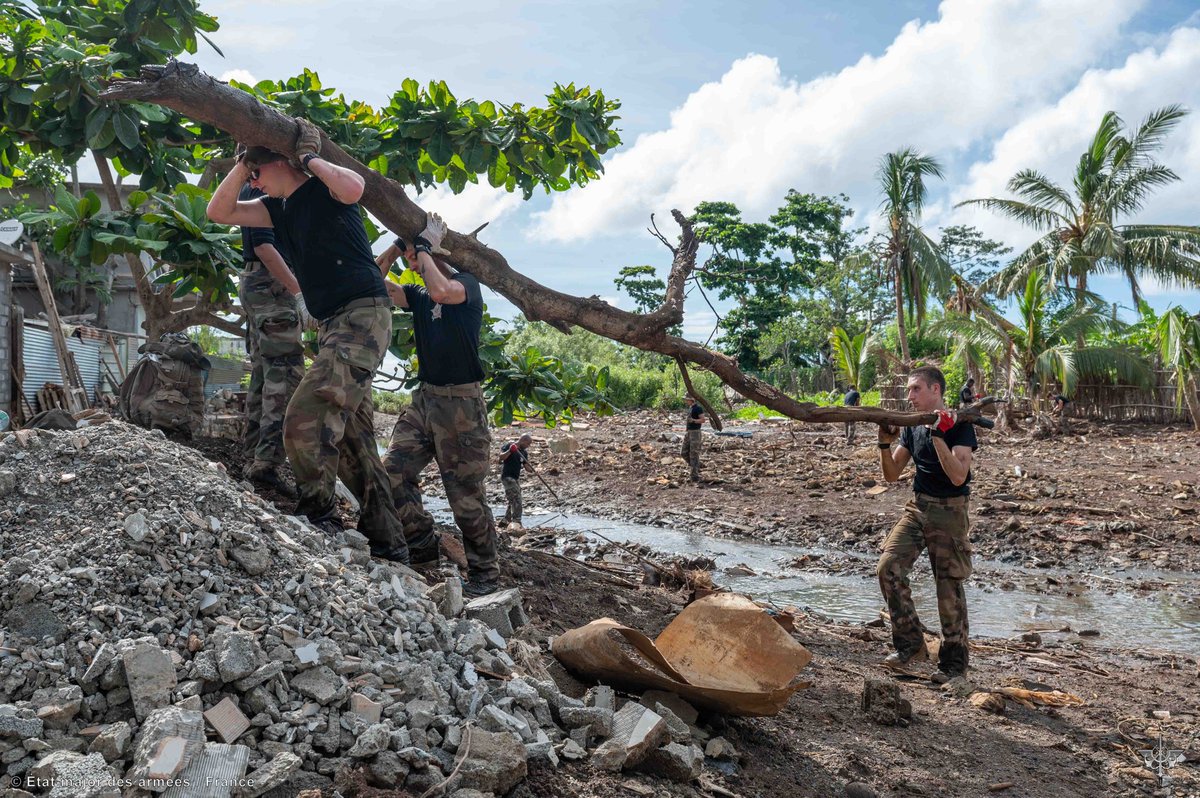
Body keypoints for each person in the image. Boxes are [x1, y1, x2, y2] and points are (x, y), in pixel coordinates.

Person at [205, 121, 410, 563]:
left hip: (362, 316)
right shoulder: (274, 210)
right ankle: (392, 543)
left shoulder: (324, 191)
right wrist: (244, 165)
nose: (253, 183)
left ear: (282, 162)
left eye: (257, 173)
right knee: (355, 441)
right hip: (335, 323)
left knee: (304, 415)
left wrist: (309, 158)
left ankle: (319, 517)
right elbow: (218, 212)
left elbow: (355, 187)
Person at [377, 215, 501, 597]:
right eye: (411, 261)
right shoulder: (417, 295)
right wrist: (399, 246)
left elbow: (443, 291)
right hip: (425, 399)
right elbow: (370, 278)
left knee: (464, 495)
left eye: (416, 259)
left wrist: (426, 248)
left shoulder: (467, 285)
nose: (412, 266)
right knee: (393, 471)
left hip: (461, 404)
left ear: (436, 254)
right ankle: (422, 542)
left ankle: (485, 574)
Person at [876, 365, 978, 679]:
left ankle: (953, 665)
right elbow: (892, 474)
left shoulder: (960, 425)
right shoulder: (912, 425)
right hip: (918, 508)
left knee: (948, 587)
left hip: (950, 511)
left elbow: (959, 476)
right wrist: (883, 444)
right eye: (909, 389)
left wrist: (937, 436)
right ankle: (911, 646)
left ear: (936, 390)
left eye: (916, 389)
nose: (910, 396)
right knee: (888, 568)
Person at [237, 182, 305, 497]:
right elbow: (264, 246)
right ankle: (266, 465)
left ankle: (253, 459)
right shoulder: (263, 192)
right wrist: (298, 292)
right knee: (285, 376)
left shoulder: (254, 191)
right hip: (271, 284)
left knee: (264, 376)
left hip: (259, 283)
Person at [499, 433, 533, 527]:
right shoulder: (509, 445)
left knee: (512, 499)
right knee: (517, 499)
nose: (528, 446)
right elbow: (501, 457)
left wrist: (533, 471)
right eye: (528, 444)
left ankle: (506, 520)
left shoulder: (523, 452)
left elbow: (527, 467)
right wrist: (510, 451)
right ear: (523, 440)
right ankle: (517, 521)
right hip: (507, 477)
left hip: (515, 478)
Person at [682, 395, 706, 483]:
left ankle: (694, 475)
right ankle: (696, 466)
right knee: (683, 453)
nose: (686, 401)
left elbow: (703, 420)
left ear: (691, 400)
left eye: (687, 400)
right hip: (689, 432)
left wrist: (693, 420)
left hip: (695, 433)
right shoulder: (690, 408)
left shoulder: (698, 408)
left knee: (694, 454)